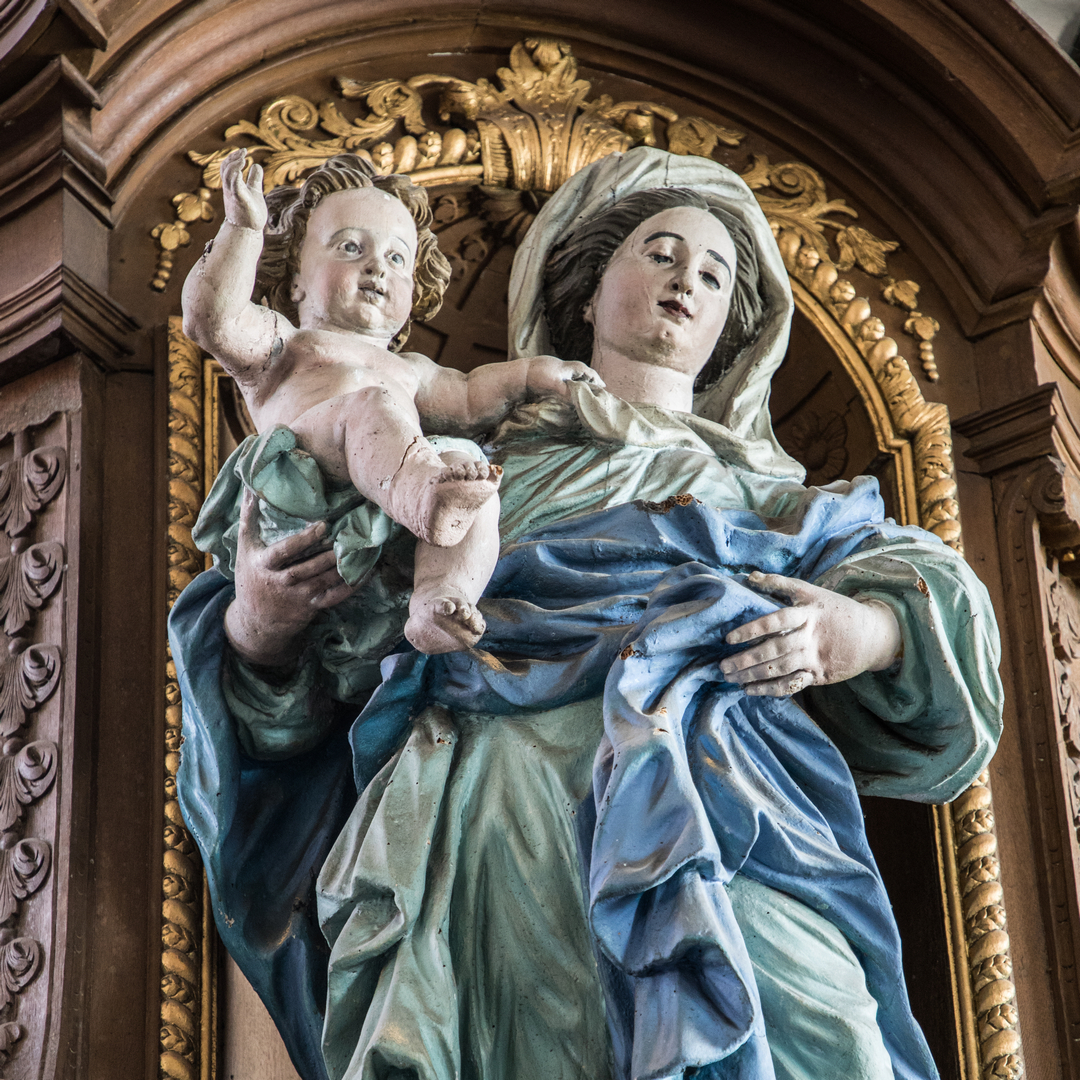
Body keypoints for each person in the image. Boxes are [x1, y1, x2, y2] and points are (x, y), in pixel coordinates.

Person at [170, 147, 1002, 1080]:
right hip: (505, 793)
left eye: (714, 276)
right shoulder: (466, 464)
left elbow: (937, 603)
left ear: (735, 329)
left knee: (825, 1025)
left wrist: (853, 631)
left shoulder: (767, 495)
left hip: (727, 786)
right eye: (660, 254)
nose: (685, 283)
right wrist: (264, 623)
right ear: (589, 287)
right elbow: (319, 698)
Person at [181, 148, 599, 654]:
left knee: (468, 467)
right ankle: (425, 499)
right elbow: (214, 319)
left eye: (397, 258)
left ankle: (438, 600)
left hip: (384, 507)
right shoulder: (286, 344)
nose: (377, 266)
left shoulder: (412, 371)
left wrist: (537, 374)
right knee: (371, 406)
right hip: (302, 493)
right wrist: (243, 229)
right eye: (350, 247)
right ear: (294, 278)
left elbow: (471, 397)